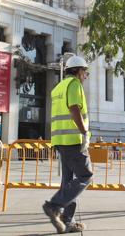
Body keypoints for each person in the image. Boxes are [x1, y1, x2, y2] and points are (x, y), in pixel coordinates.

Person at [42, 56, 93, 234]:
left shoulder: (58, 87)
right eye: (85, 71)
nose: (86, 75)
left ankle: (67, 221)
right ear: (78, 71)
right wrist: (84, 132)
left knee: (68, 181)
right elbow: (74, 109)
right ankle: (55, 205)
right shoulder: (74, 85)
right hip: (73, 140)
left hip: (61, 140)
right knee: (86, 176)